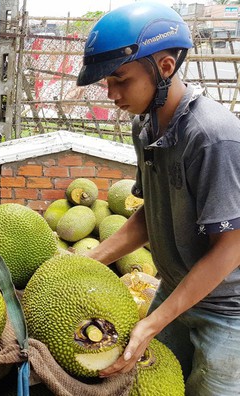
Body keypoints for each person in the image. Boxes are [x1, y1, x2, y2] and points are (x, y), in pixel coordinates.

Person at [76, 2, 240, 395]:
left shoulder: (213, 137)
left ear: (165, 68)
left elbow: (230, 249)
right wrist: (88, 261)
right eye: (106, 82)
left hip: (229, 312)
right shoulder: (145, 127)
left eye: (120, 79)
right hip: (175, 291)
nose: (111, 93)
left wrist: (151, 322)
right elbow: (152, 214)